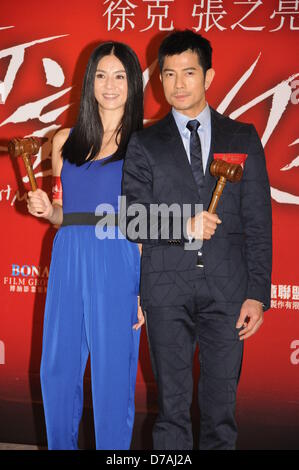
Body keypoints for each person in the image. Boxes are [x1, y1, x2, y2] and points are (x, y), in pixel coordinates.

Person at [121, 30, 272, 450]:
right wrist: (184, 226)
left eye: (189, 72)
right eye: (168, 74)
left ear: (209, 76)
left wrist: (257, 294)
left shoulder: (242, 137)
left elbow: (259, 221)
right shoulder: (145, 143)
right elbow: (133, 219)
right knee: (171, 411)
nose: (178, 84)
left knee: (221, 411)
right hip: (166, 289)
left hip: (228, 290)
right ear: (159, 80)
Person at [27, 41, 144, 450]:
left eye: (119, 75)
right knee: (56, 368)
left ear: (133, 83)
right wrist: (48, 210)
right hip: (69, 253)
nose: (109, 85)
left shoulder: (145, 145)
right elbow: (65, 210)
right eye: (100, 75)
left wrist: (145, 288)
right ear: (88, 81)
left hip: (118, 255)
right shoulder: (64, 140)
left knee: (113, 374)